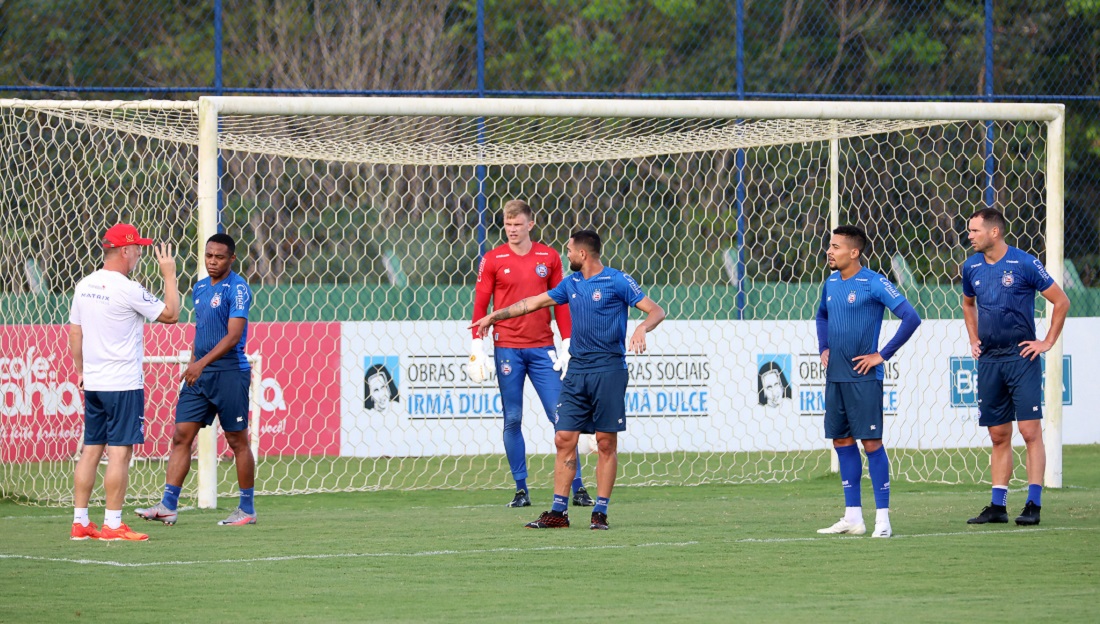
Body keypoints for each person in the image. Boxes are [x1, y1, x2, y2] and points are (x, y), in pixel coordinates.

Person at [472, 229, 665, 530]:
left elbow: (656, 310)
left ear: (583, 254)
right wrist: (494, 317)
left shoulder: (617, 280)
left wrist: (641, 328)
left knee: (605, 442)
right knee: (563, 438)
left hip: (608, 369)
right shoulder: (570, 283)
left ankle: (599, 512)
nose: (567, 255)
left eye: (570, 250)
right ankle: (558, 513)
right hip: (576, 371)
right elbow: (533, 302)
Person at [468, 200, 593, 508]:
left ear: (529, 224)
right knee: (512, 418)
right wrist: (476, 347)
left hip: (542, 349)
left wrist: (566, 343)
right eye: (507, 225)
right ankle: (521, 489)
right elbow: (481, 303)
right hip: (507, 347)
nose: (511, 230)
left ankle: (577, 488)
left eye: (517, 224)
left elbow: (560, 301)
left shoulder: (548, 257)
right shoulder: (492, 259)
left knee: (561, 417)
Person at [136, 233, 257, 527]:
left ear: (232, 259)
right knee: (181, 435)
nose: (212, 261)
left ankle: (247, 509)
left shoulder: (238, 288)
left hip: (229, 373)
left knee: (236, 441)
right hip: (199, 376)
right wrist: (193, 364)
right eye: (208, 255)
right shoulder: (200, 288)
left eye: (219, 257)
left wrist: (200, 364)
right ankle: (168, 505)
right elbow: (201, 332)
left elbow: (233, 336)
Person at [69, 223, 180, 541]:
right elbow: (172, 314)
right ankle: (113, 524)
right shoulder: (127, 288)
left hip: (95, 383)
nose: (140, 253)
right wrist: (169, 274)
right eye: (138, 248)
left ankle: (80, 522)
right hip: (122, 383)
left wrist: (81, 371)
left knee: (91, 450)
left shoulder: (84, 285)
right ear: (124, 251)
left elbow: (75, 333)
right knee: (119, 453)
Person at [961, 208, 1070, 527]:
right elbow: (968, 304)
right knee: (998, 434)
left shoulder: (1024, 263)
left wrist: (1047, 342)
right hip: (990, 360)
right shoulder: (971, 266)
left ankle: (1033, 503)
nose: (969, 236)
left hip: (1021, 358)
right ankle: (998, 506)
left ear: (994, 232)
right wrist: (973, 337)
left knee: (1029, 430)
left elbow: (1061, 301)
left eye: (974, 231)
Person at [815, 225, 921, 539]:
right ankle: (853, 518)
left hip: (864, 378)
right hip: (835, 377)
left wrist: (881, 355)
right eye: (829, 246)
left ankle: (883, 520)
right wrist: (824, 347)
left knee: (871, 444)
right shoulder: (831, 283)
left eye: (835, 247)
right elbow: (822, 315)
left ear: (854, 252)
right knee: (841, 442)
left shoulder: (874, 282)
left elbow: (911, 317)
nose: (830, 251)